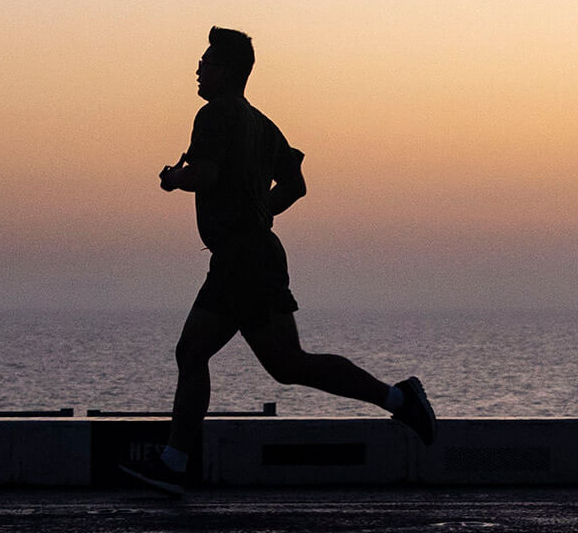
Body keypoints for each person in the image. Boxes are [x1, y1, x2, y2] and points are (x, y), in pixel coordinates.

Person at [117, 28, 435, 496]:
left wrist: (174, 178)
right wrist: (263, 210)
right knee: (284, 365)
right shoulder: (263, 125)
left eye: (207, 61)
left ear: (229, 70)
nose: (198, 69)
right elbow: (295, 184)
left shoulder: (213, 115)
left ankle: (175, 464)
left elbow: (205, 175)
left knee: (202, 354)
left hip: (243, 262)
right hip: (249, 257)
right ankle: (399, 398)